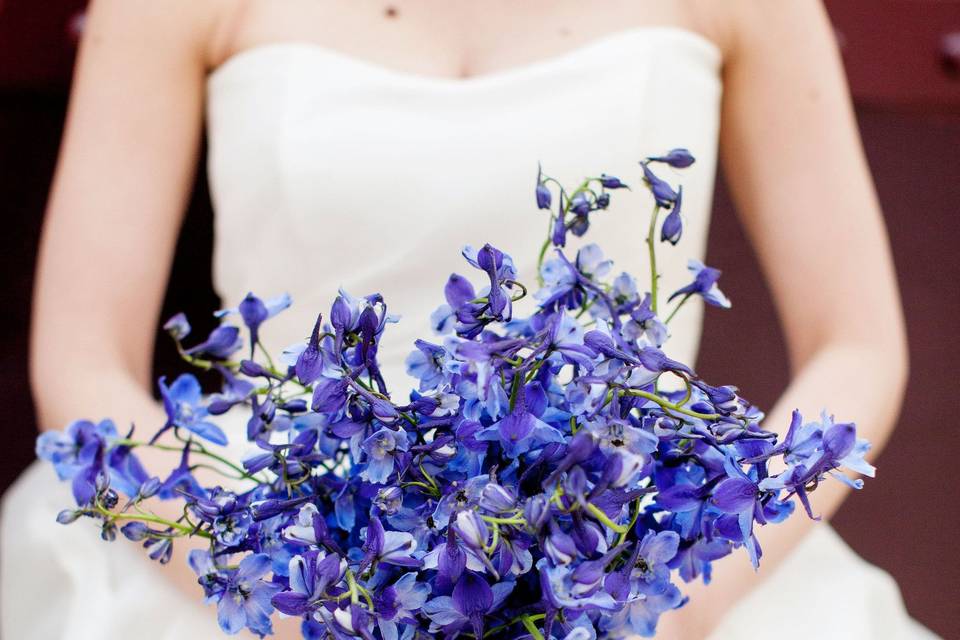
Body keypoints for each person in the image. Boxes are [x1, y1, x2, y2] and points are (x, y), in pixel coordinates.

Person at [0, 0, 937, 638]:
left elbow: (856, 345)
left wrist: (669, 605)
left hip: (613, 553)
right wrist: (293, 603)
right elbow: (81, 357)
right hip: (271, 549)